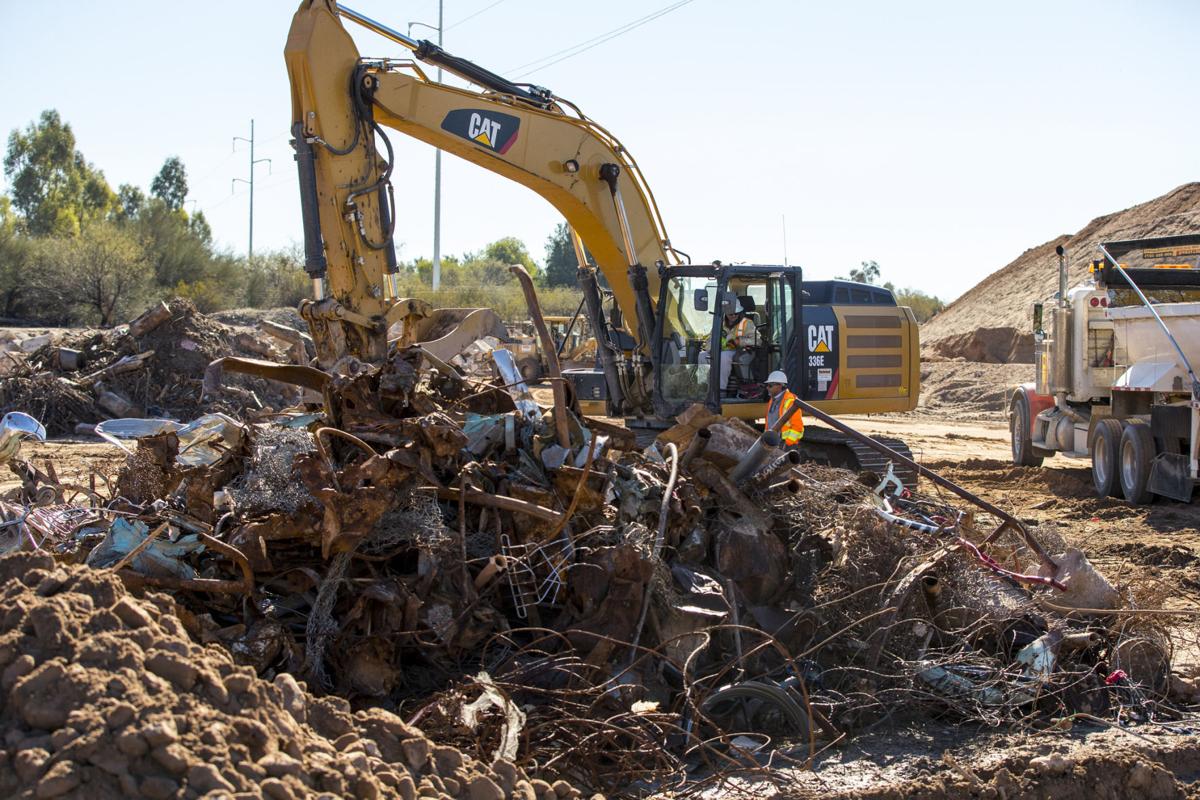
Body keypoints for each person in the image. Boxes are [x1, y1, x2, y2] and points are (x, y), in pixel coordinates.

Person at [765, 370, 804, 445]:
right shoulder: (772, 400)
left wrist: (788, 443)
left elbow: (798, 427)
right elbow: (769, 422)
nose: (767, 388)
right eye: (767, 385)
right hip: (773, 443)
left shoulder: (790, 401)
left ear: (780, 386)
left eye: (770, 385)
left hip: (784, 444)